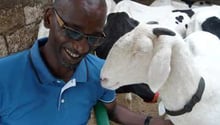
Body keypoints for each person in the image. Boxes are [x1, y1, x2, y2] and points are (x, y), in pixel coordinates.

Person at [0, 0, 173, 125]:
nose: (81, 47)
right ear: (49, 18)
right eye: (72, 31)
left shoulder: (98, 72)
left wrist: (154, 122)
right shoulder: (4, 75)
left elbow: (112, 109)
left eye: (93, 38)